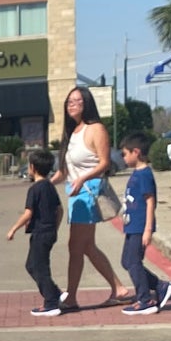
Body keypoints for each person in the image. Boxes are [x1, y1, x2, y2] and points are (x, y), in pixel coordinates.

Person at [53, 85, 132, 309]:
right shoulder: (72, 133)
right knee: (85, 246)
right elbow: (64, 170)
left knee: (76, 246)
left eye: (78, 101)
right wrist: (45, 185)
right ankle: (118, 288)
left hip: (88, 192)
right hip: (75, 194)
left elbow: (104, 163)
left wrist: (82, 179)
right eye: (69, 101)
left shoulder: (95, 129)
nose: (73, 105)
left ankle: (71, 297)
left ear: (87, 104)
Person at [117, 134, 171, 316]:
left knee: (134, 262)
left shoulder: (144, 174)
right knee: (127, 261)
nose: (123, 158)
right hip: (132, 226)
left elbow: (150, 202)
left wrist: (148, 229)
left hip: (140, 226)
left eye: (125, 154)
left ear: (136, 152)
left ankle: (145, 299)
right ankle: (159, 285)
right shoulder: (137, 173)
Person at [6, 148, 63, 317]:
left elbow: (28, 213)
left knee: (39, 268)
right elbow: (59, 210)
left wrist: (13, 229)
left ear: (32, 167)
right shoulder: (50, 187)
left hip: (40, 233)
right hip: (49, 232)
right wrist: (55, 228)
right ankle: (55, 293)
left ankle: (51, 303)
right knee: (31, 265)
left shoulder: (35, 189)